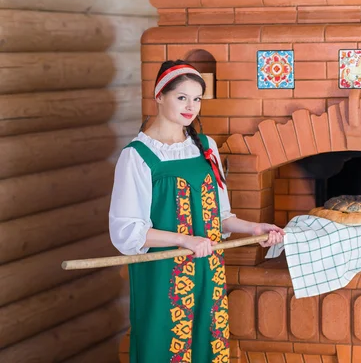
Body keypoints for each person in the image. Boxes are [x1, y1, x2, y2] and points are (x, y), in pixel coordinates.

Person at [108, 59, 285, 363]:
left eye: (197, 98)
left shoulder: (205, 147)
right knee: (162, 344)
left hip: (208, 268)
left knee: (207, 343)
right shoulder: (136, 157)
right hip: (162, 273)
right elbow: (127, 231)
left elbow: (220, 216)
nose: (191, 106)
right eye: (181, 97)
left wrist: (254, 229)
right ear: (159, 96)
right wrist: (186, 240)